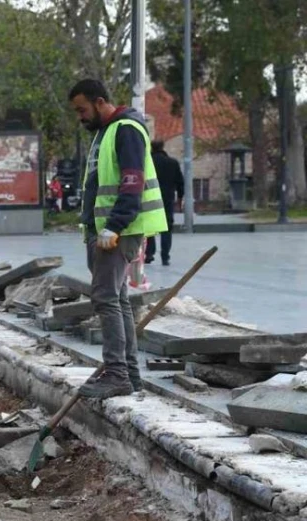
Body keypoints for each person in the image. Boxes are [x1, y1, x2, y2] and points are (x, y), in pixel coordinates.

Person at [69, 79, 168, 399]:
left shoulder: (125, 129)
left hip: (118, 230)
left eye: (82, 110)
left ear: (100, 102)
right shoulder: (105, 132)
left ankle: (116, 373)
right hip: (105, 231)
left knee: (106, 298)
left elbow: (131, 181)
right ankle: (128, 374)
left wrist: (115, 225)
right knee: (117, 299)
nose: (80, 117)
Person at [147, 140, 183, 266]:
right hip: (167, 199)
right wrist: (180, 198)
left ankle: (149, 253)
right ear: (163, 147)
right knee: (167, 227)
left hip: (149, 197)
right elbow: (180, 182)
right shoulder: (172, 163)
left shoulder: (147, 162)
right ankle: (165, 256)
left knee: (149, 227)